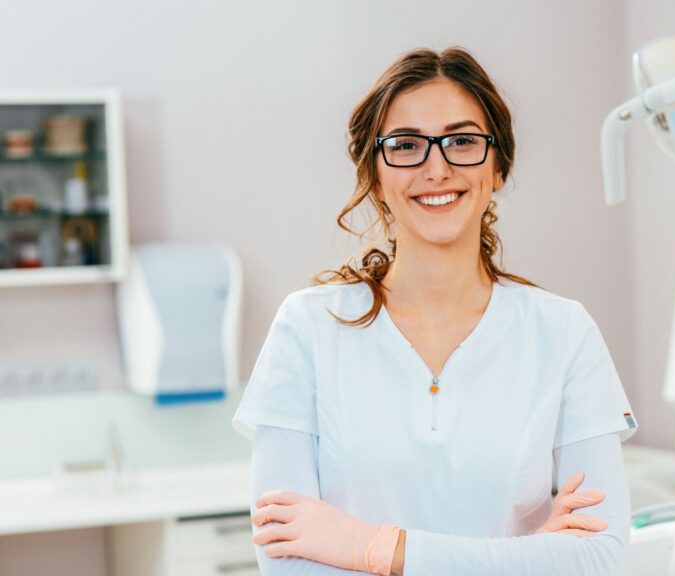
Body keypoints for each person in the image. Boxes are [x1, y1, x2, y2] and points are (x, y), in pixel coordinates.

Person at [232, 46, 638, 576]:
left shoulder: (563, 333)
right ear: (375, 175)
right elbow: (288, 563)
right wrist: (528, 557)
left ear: (498, 166)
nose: (437, 167)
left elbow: (600, 559)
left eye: (463, 141)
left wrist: (372, 547)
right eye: (405, 145)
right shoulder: (307, 328)